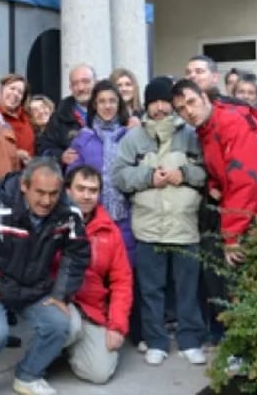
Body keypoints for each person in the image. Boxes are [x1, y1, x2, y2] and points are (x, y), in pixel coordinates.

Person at [0, 158, 90, 395]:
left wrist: (61, 293)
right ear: (24, 185)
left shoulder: (68, 213)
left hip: (33, 287)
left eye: (53, 193)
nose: (46, 201)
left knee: (59, 324)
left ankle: (28, 376)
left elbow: (77, 252)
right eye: (40, 192)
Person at [112, 76, 207, 366]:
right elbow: (119, 176)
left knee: (187, 289)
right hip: (148, 225)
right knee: (150, 290)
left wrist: (184, 174)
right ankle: (156, 342)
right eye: (154, 102)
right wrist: (148, 177)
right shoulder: (133, 138)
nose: (160, 108)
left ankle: (191, 341)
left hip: (184, 224)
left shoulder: (192, 134)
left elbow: (207, 172)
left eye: (165, 101)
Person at [170, 79, 257, 261]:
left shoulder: (230, 122)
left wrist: (232, 235)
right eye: (181, 109)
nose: (188, 111)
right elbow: (222, 167)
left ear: (204, 97)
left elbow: (244, 180)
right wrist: (215, 185)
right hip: (251, 204)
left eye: (191, 102)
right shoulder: (208, 126)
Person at [63, 165, 132, 384]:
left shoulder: (109, 230)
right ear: (68, 190)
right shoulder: (52, 221)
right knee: (67, 327)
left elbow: (122, 281)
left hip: (91, 308)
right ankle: (38, 359)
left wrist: (117, 326)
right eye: (80, 188)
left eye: (93, 190)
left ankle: (69, 349)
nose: (86, 195)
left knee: (100, 373)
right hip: (57, 302)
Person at [67, 80, 134, 259]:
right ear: (94, 106)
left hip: (126, 216)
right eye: (102, 101)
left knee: (124, 266)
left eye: (112, 101)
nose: (107, 106)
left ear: (119, 104)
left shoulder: (130, 136)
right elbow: (72, 177)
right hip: (92, 216)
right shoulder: (83, 138)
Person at [37, 64, 96, 165]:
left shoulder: (108, 111)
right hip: (73, 172)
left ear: (95, 83)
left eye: (85, 81)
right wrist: (61, 156)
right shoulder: (59, 116)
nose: (81, 88)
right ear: (70, 88)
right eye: (75, 84)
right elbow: (43, 149)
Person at [0, 73, 36, 162]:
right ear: (1, 89)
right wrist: (15, 154)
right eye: (12, 88)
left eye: (20, 92)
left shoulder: (27, 116)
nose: (15, 93)